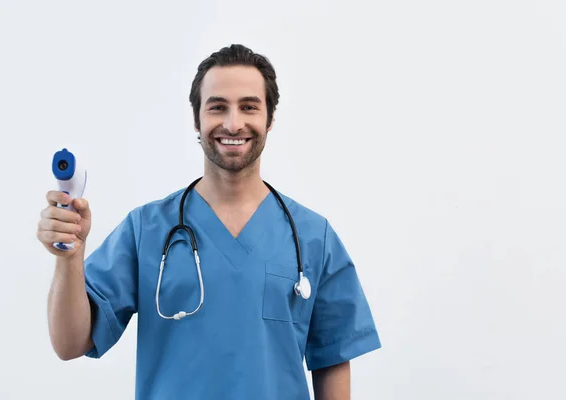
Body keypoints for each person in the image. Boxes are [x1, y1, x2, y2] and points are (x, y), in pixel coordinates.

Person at [37, 44, 381, 400]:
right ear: (196, 118)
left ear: (270, 118)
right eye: (217, 107)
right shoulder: (146, 229)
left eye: (249, 107)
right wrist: (69, 257)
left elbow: (333, 360)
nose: (233, 123)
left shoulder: (312, 237)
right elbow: (70, 343)